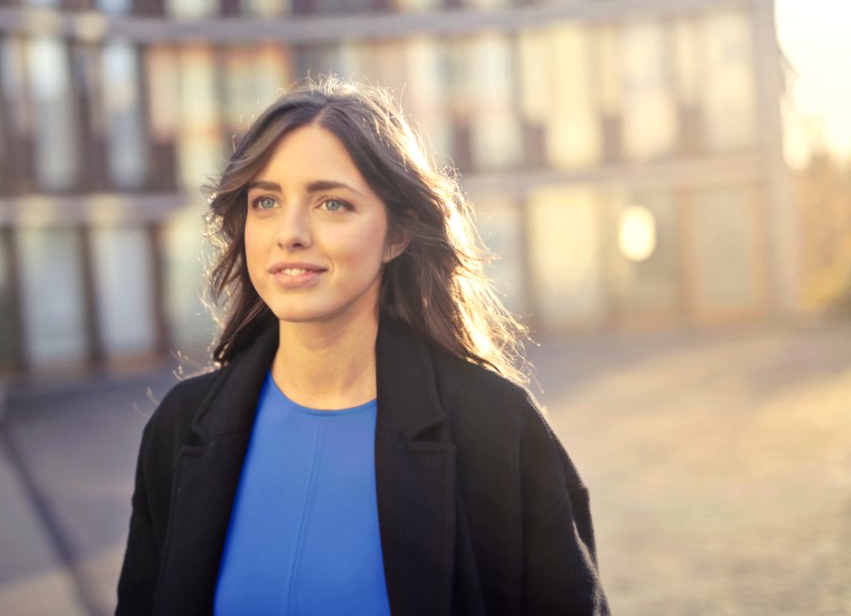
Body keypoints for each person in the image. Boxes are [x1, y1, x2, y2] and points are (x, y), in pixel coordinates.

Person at [115, 77, 610, 616]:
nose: (290, 233)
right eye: (266, 202)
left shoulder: (495, 428)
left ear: (397, 234)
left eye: (331, 203)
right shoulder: (181, 428)